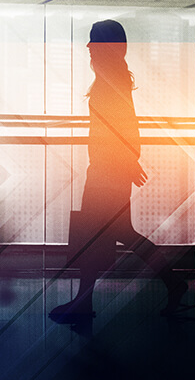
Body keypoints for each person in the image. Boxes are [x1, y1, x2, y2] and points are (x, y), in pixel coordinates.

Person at [49, 19, 187, 322]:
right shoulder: (114, 79)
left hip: (104, 173)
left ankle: (84, 302)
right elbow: (125, 128)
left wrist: (125, 162)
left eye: (93, 41)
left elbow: (121, 128)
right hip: (109, 170)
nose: (87, 47)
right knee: (119, 232)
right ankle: (172, 282)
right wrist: (128, 161)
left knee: (95, 236)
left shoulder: (110, 83)